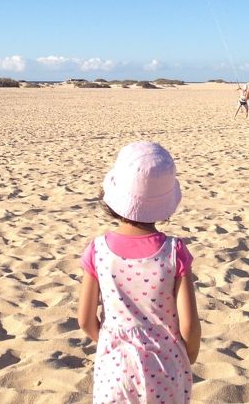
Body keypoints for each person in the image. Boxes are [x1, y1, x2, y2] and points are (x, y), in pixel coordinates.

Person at [78, 141, 200, 404]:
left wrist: (115, 343)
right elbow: (189, 325)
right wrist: (183, 358)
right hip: (165, 364)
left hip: (115, 368)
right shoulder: (173, 251)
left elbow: (86, 320)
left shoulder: (98, 250)